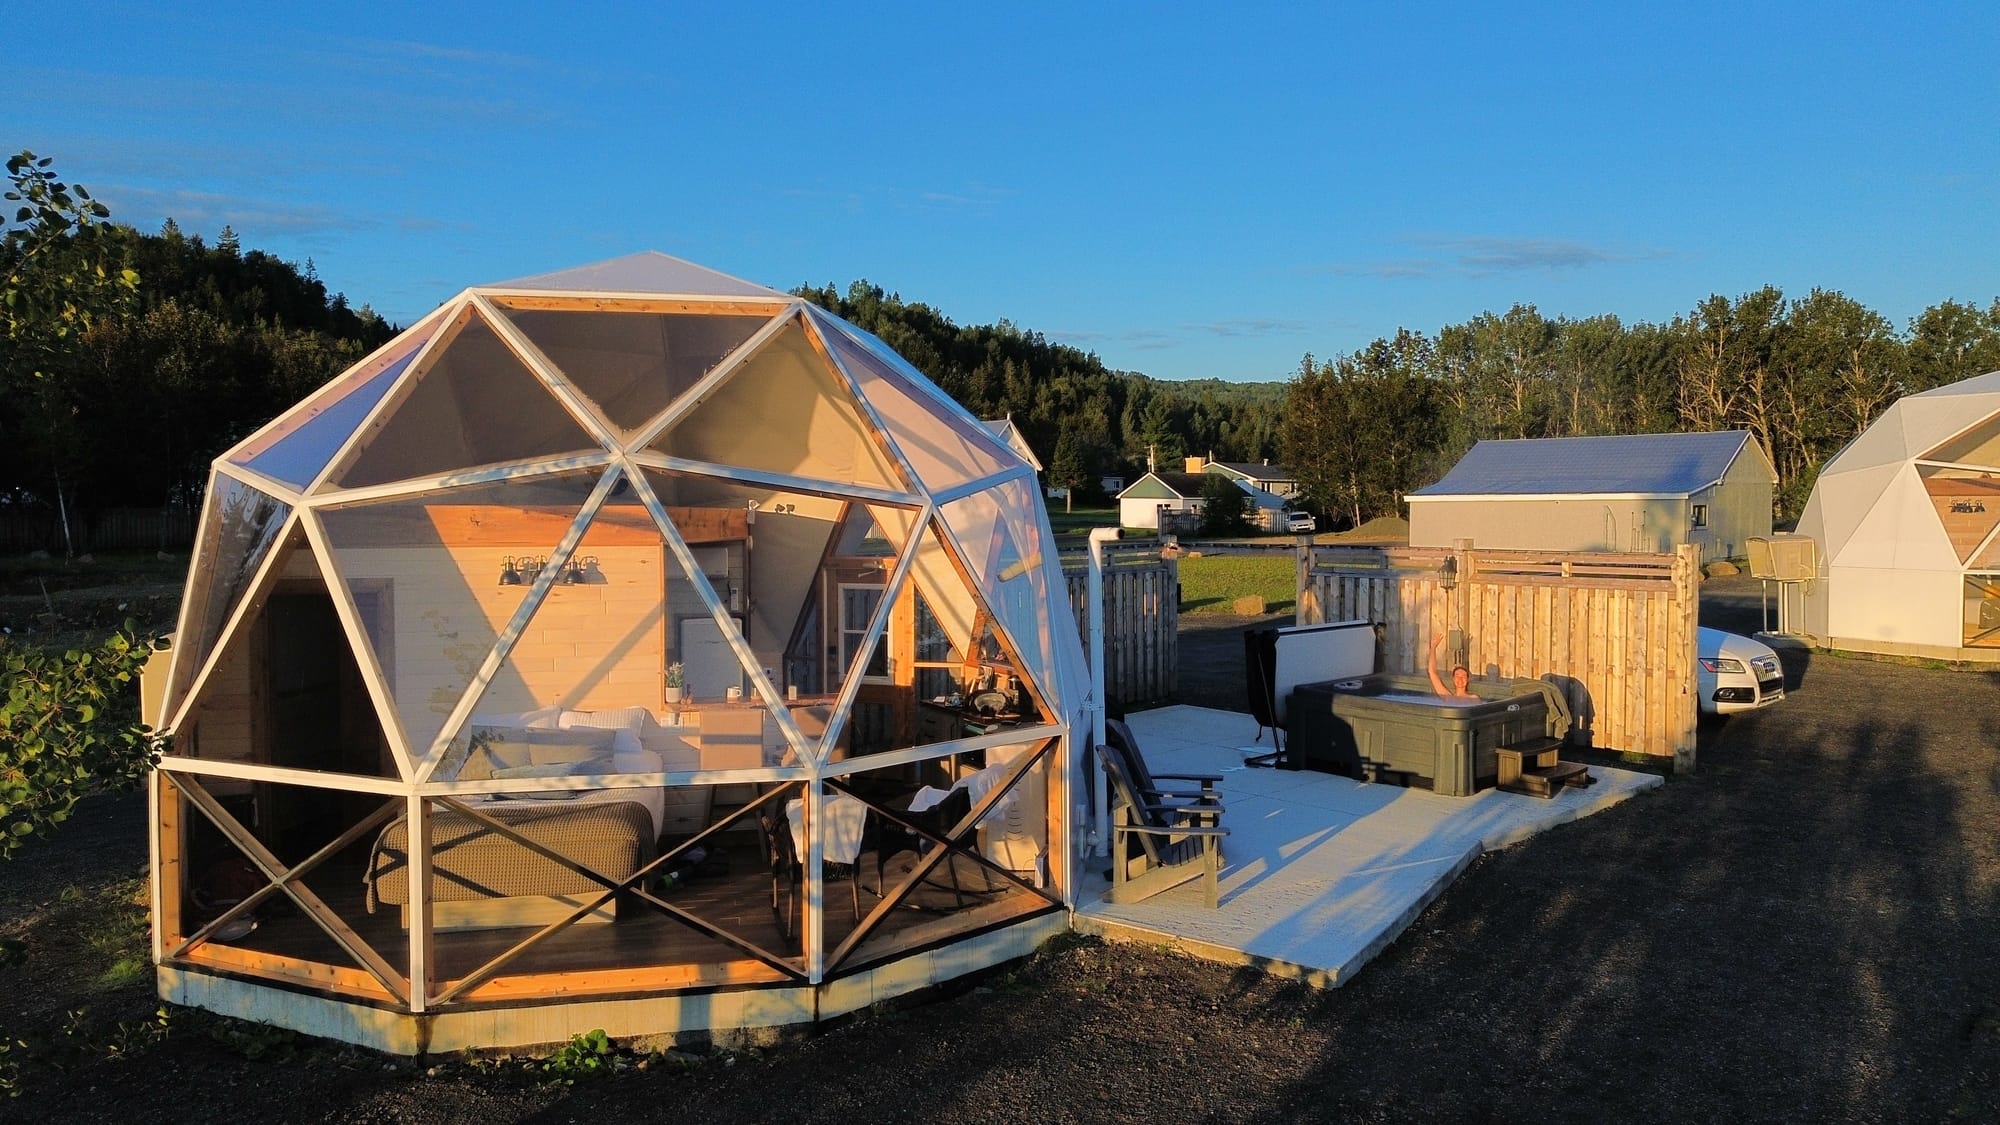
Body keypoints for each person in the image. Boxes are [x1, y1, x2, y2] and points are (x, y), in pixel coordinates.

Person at [1428, 630, 1474, 699]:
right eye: (1457, 675)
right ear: (1453, 679)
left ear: (1468, 679)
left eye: (1463, 676)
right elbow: (1432, 672)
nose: (1460, 679)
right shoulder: (1448, 698)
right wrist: (1433, 647)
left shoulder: (1474, 699)